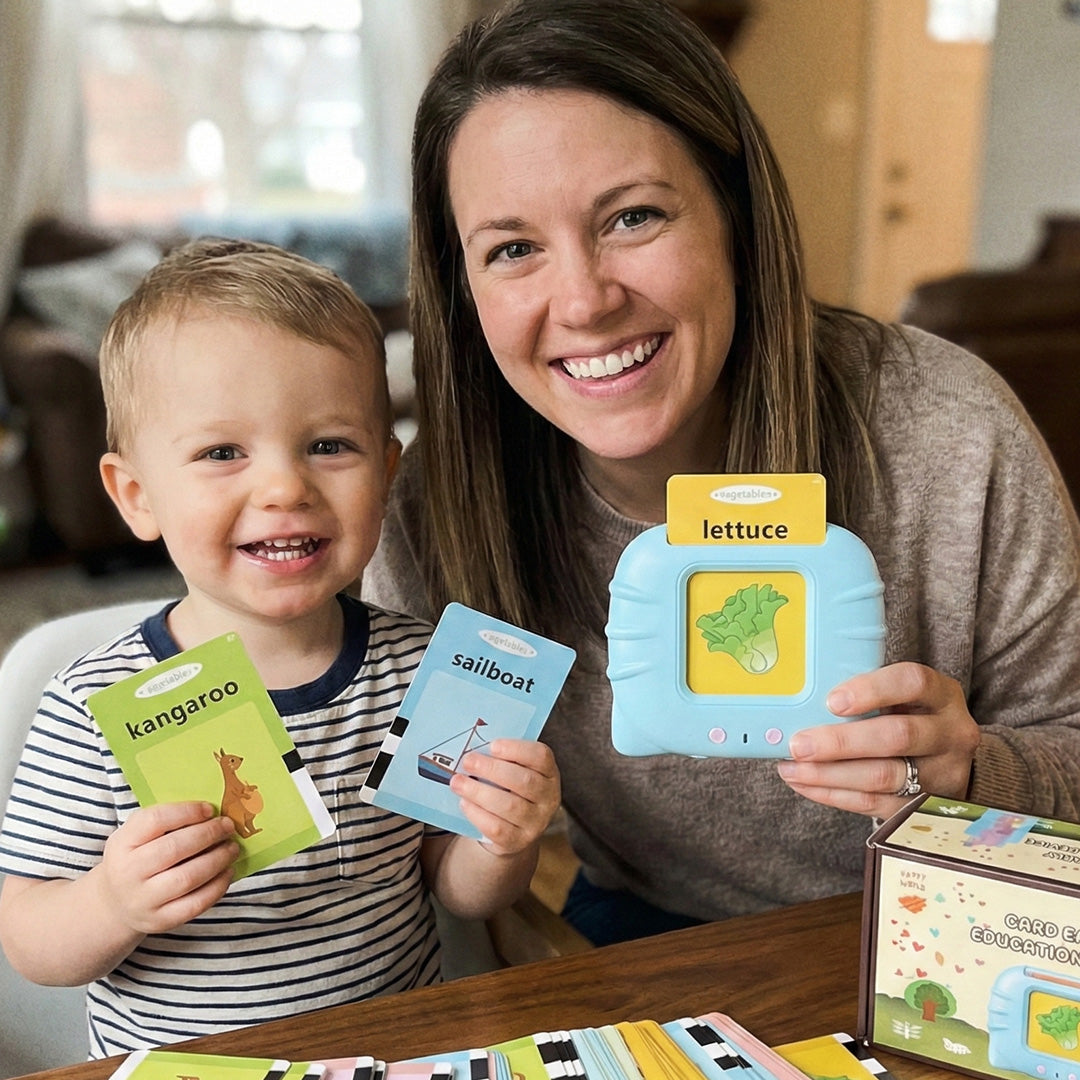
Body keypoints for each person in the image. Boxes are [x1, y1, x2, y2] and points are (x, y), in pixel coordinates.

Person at [363, 0, 1080, 947]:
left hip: (952, 919)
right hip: (644, 927)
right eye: (514, 249)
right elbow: (415, 837)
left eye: (633, 217)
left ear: (735, 216)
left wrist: (972, 772)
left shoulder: (948, 432)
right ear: (462, 287)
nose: (583, 301)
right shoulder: (439, 505)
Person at [0, 238, 560, 1056]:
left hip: (395, 1056)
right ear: (137, 495)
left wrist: (500, 839)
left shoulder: (421, 670)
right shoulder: (91, 704)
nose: (284, 487)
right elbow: (29, 939)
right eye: (222, 453)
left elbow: (457, 887)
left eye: (329, 445)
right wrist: (112, 902)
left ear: (387, 473)